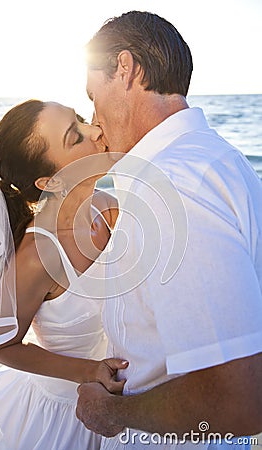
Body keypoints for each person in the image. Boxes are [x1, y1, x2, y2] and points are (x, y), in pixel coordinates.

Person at [76, 10, 262, 449]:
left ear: (125, 68)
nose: (94, 116)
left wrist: (114, 413)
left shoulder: (174, 186)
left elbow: (239, 399)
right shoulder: (217, 160)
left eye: (92, 94)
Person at [0, 99, 129, 450]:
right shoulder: (37, 256)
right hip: (62, 417)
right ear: (51, 181)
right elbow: (0, 346)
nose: (96, 130)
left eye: (81, 120)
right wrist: (89, 371)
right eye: (75, 136)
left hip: (127, 403)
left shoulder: (110, 207)